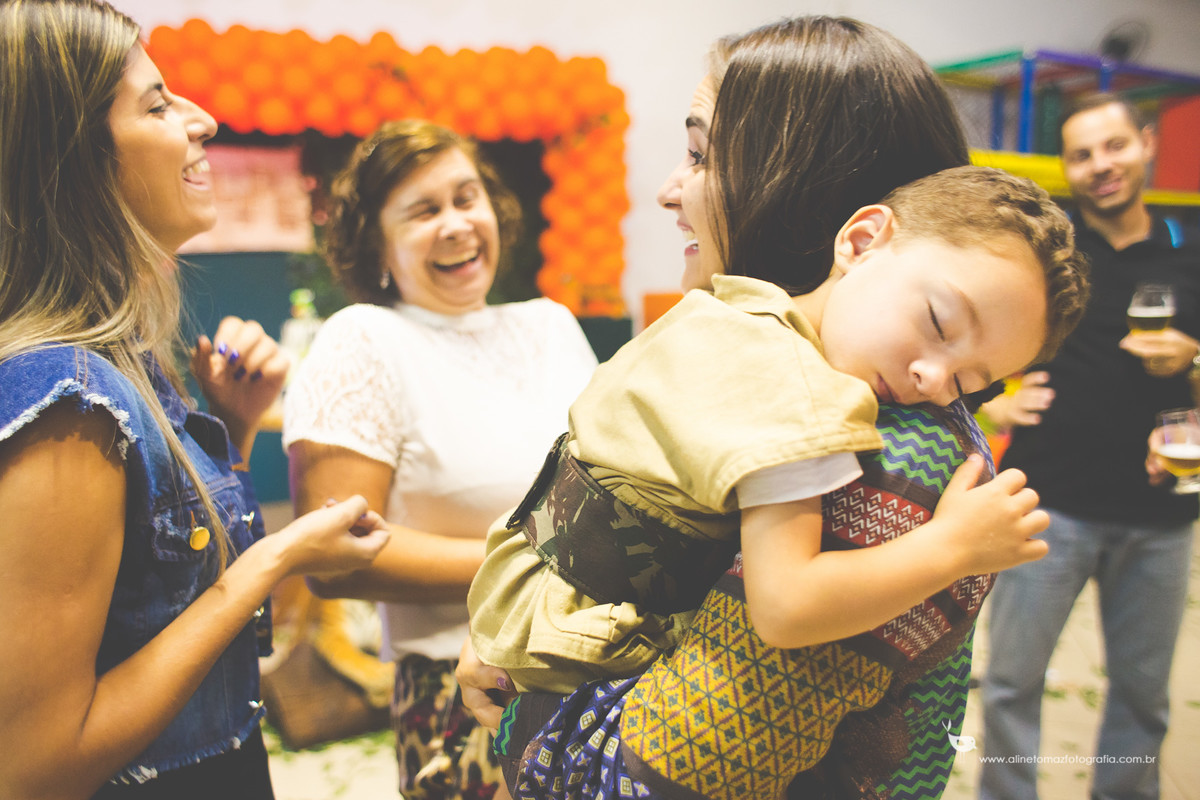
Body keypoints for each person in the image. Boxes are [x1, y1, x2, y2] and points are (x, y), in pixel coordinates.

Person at [460, 17, 1088, 800]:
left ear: (803, 189)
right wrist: (522, 620)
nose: (669, 189)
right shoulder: (744, 331)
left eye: (700, 156)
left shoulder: (870, 438)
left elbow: (696, 745)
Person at [0, 1, 391, 798]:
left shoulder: (129, 363)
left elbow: (146, 604)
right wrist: (281, 557)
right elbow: (32, 765)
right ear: (78, 161)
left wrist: (233, 435)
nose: (203, 120)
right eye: (156, 104)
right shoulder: (69, 400)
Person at [281, 119, 598, 800]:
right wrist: (546, 566)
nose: (455, 224)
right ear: (377, 243)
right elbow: (332, 559)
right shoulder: (364, 340)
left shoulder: (551, 324)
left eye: (466, 197)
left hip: (598, 669)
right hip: (465, 696)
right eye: (424, 212)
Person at [979, 92, 1200, 800]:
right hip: (1046, 504)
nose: (1100, 166)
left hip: (1162, 508)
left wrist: (1192, 362)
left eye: (1113, 147)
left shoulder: (1190, 244)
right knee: (1012, 682)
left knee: (1143, 696)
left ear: (1144, 144)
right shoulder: (1043, 246)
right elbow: (966, 330)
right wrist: (996, 403)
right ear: (1066, 167)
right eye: (1081, 155)